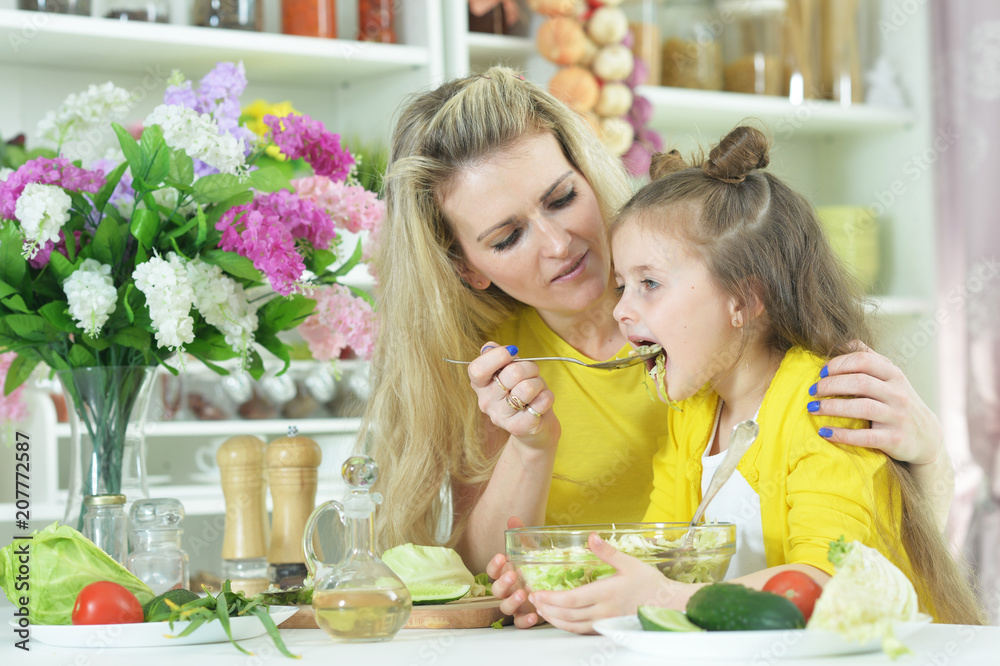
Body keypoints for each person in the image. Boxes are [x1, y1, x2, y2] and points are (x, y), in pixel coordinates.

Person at [360, 65, 952, 583]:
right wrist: (531, 448)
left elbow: (873, 547)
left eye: (563, 198)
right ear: (466, 266)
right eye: (509, 236)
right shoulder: (489, 366)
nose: (559, 243)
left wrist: (925, 451)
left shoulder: (709, 282)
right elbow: (490, 569)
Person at [516, 126, 985, 633]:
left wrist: (661, 596)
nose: (622, 310)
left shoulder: (826, 403)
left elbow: (828, 584)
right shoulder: (693, 411)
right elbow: (661, 552)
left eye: (649, 283)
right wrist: (567, 588)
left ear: (743, 300)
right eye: (623, 285)